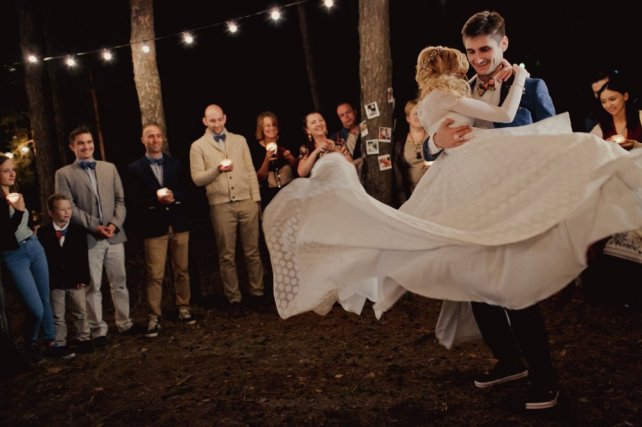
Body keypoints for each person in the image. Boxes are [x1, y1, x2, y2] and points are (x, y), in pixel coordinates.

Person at [262, 44, 642, 410]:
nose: (474, 61)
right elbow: (440, 138)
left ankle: (542, 375)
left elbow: (536, 128)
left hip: (505, 186)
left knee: (511, 279)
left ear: (501, 44)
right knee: (474, 276)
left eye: (482, 52)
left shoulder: (519, 87)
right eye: (468, 55)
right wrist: (436, 140)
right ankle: (510, 359)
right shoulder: (457, 91)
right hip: (467, 189)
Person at [55, 126, 135, 347]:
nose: (86, 146)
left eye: (89, 142)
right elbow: (69, 207)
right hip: (88, 237)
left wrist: (114, 224)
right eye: (81, 143)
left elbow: (120, 201)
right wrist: (95, 226)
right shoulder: (63, 174)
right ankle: (98, 330)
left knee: (119, 282)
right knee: (93, 286)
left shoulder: (109, 168)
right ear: (72, 146)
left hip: (114, 235)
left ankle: (125, 323)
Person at [190, 104, 265, 316]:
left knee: (252, 251)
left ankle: (258, 293)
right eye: (211, 120)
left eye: (219, 119)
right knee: (227, 254)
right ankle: (234, 299)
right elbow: (197, 179)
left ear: (225, 118)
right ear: (205, 121)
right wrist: (216, 170)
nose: (216, 124)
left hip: (246, 200)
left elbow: (250, 170)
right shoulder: (198, 146)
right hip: (220, 205)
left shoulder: (239, 140)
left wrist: (256, 200)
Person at [127, 124, 195, 338]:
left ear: (162, 138)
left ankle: (184, 308)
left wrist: (175, 197)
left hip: (178, 223)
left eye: (158, 136)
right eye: (150, 136)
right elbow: (133, 199)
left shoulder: (176, 163)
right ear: (143, 140)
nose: (155, 140)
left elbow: (188, 190)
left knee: (182, 269)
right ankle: (154, 317)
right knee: (155, 274)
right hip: (154, 227)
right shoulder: (135, 169)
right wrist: (155, 200)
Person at [0, 155, 56, 364]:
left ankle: (50, 342)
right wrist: (18, 211)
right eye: (6, 170)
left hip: (34, 247)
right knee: (35, 308)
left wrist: (27, 221)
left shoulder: (17, 194)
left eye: (12, 169)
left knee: (45, 299)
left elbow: (26, 222)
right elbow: (4, 234)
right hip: (14, 256)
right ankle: (30, 343)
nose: (12, 174)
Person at [37, 194, 91, 357]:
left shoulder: (78, 231)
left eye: (69, 208)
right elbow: (43, 259)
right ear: (51, 212)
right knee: (57, 313)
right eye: (62, 209)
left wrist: (83, 278)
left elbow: (83, 257)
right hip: (55, 280)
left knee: (80, 310)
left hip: (75, 280)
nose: (67, 212)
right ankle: (59, 342)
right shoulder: (43, 233)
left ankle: (84, 338)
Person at [250, 111, 298, 209]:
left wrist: (290, 158)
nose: (271, 128)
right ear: (261, 128)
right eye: (267, 125)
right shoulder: (255, 149)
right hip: (271, 197)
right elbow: (258, 178)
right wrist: (266, 159)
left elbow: (300, 170)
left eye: (274, 125)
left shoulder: (286, 141)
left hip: (292, 192)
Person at [590, 75, 642, 150]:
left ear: (625, 96)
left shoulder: (640, 117)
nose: (608, 105)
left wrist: (636, 145)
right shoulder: (600, 128)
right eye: (603, 102)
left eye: (612, 99)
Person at [393, 99, 429, 205]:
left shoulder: (433, 137)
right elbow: (399, 176)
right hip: (414, 196)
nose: (418, 116)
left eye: (421, 113)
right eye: (415, 113)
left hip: (436, 190)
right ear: (407, 118)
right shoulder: (400, 145)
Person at [297, 111, 354, 178]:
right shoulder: (305, 149)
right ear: (307, 130)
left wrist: (336, 149)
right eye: (313, 122)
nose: (319, 124)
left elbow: (351, 167)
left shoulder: (339, 142)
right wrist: (316, 151)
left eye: (321, 120)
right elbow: (302, 173)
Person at [330, 102, 364, 174]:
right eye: (342, 115)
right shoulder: (336, 137)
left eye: (348, 112)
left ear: (355, 112)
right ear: (340, 119)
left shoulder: (366, 127)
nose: (346, 116)